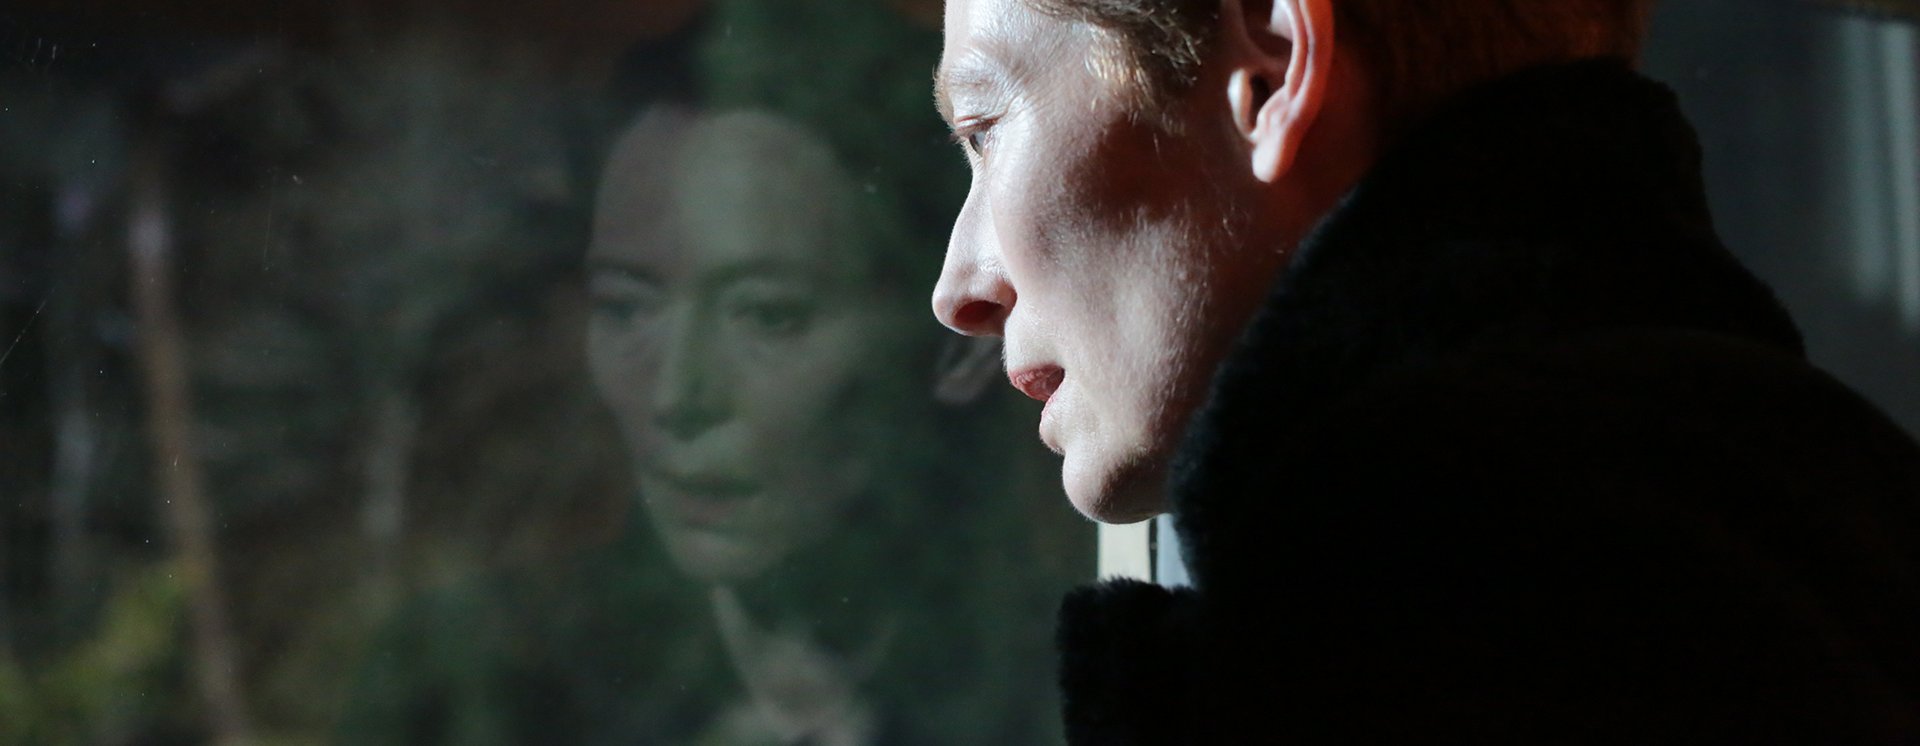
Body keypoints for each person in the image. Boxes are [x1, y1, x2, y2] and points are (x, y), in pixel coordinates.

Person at [929, 0, 1920, 742]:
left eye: (984, 129)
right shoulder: (1794, 496)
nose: (958, 290)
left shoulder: (1423, 602)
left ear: (1273, 72)